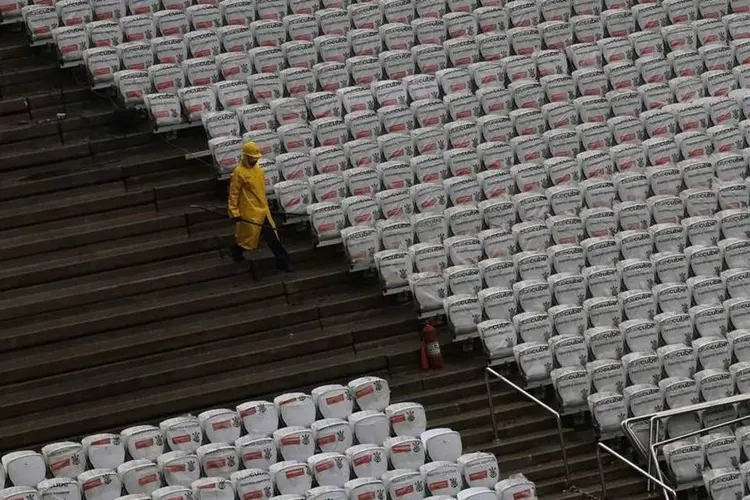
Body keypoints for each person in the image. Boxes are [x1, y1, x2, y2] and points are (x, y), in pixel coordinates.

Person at [228, 142, 292, 272]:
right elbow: (233, 194)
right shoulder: (238, 172)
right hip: (250, 211)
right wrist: (234, 212)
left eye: (256, 157)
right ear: (246, 156)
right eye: (253, 157)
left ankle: (283, 262)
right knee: (248, 238)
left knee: (272, 237)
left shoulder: (259, 170)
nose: (255, 159)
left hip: (263, 210)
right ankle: (236, 250)